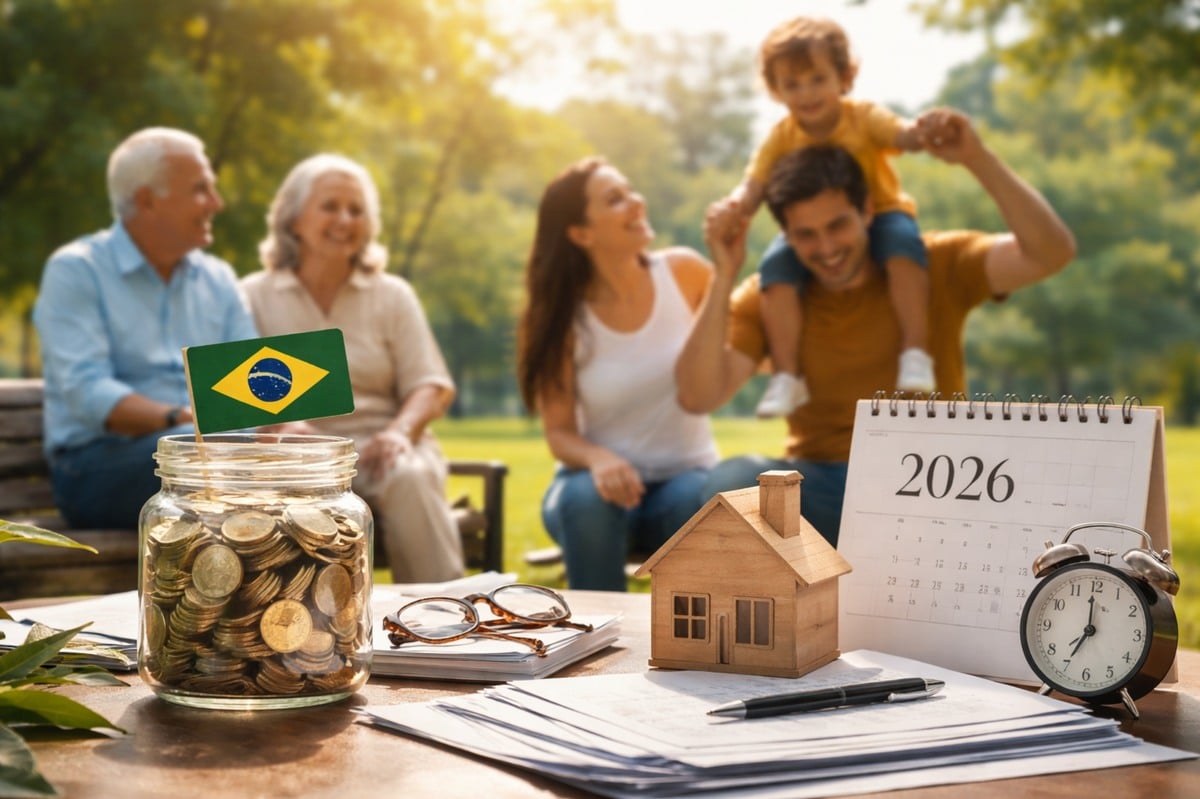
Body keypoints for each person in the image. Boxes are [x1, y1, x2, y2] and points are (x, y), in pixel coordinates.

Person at [678, 109, 1076, 545]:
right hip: (824, 484)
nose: (826, 248)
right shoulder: (773, 298)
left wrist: (977, 158)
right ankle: (803, 584)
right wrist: (724, 273)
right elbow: (699, 396)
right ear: (786, 236)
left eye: (838, 225)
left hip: (930, 482)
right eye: (806, 234)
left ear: (867, 209)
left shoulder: (931, 264)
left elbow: (1049, 254)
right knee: (732, 480)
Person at [241, 153, 464, 584]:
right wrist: (281, 426)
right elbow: (232, 390)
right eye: (330, 206)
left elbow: (430, 385)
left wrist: (400, 432)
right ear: (293, 219)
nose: (345, 219)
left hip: (382, 449)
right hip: (296, 454)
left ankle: (445, 611)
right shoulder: (251, 296)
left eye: (356, 210)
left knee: (411, 477)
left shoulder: (392, 295)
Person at [33, 127, 259, 529]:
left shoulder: (220, 279)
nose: (216, 203)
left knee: (294, 461)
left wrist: (279, 423)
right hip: (98, 465)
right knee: (204, 464)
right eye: (201, 189)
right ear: (147, 201)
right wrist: (182, 419)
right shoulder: (76, 270)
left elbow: (250, 382)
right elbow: (88, 392)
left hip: (212, 455)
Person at [516, 157, 720, 591]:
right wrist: (599, 458)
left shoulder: (685, 272)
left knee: (701, 499)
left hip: (686, 478)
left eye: (630, 191)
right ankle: (599, 628)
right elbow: (559, 433)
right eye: (615, 199)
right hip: (598, 491)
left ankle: (690, 632)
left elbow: (747, 338)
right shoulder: (560, 317)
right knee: (584, 500)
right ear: (581, 233)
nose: (636, 202)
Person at [729, 16, 934, 418]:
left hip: (882, 212)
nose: (806, 93)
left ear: (844, 77)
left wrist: (922, 132)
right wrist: (735, 208)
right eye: (792, 84)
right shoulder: (781, 136)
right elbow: (754, 183)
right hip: (815, 228)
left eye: (817, 79)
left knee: (904, 246)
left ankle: (915, 352)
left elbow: (900, 135)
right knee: (774, 267)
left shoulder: (863, 117)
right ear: (776, 90)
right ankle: (788, 375)